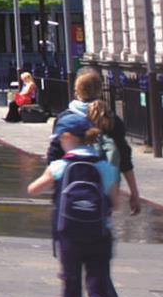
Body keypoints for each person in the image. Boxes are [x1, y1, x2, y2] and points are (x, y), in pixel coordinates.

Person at [29, 102, 126, 297]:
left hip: (69, 235)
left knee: (71, 282)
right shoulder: (102, 166)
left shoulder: (60, 166)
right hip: (99, 233)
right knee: (98, 284)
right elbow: (115, 203)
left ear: (67, 137)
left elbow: (33, 188)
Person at [45, 68, 143, 216]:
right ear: (99, 91)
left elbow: (53, 157)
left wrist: (54, 187)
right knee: (98, 227)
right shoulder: (111, 119)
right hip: (102, 188)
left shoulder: (64, 119)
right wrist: (134, 193)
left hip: (70, 188)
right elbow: (124, 159)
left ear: (76, 90)